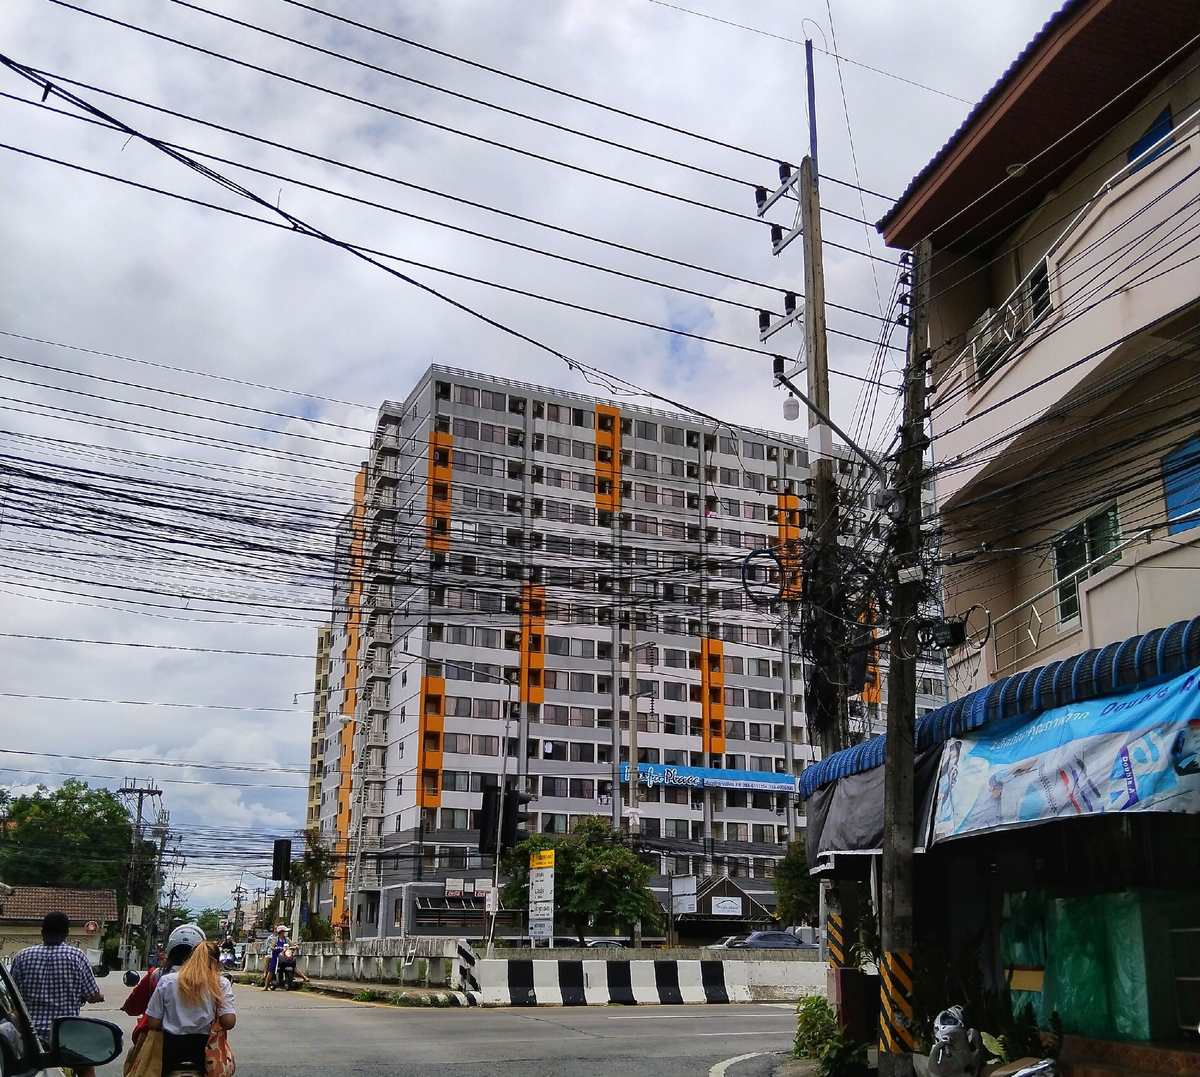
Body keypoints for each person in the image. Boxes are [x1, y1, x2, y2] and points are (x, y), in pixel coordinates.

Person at [10, 911, 104, 1077]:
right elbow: (91, 995)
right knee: (87, 1068)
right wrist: (99, 997)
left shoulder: (22, 956)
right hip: (65, 1036)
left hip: (30, 1038)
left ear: (41, 931)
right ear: (67, 933)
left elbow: (12, 994)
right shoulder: (77, 956)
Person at [145, 940, 236, 1074]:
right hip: (206, 1052)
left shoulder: (167, 981)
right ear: (216, 962)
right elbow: (228, 1023)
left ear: (189, 959)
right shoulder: (221, 984)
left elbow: (153, 1023)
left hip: (170, 1050)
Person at [122, 923, 206, 1042]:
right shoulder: (214, 981)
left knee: (133, 1056)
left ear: (169, 951)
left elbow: (134, 1007)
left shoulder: (157, 976)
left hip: (162, 1046)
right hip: (204, 1047)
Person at [262, 924, 289, 990]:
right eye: (284, 931)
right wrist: (274, 947)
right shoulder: (275, 939)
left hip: (284, 956)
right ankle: (266, 986)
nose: (285, 933)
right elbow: (272, 946)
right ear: (281, 932)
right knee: (271, 971)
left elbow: (293, 944)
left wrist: (296, 946)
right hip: (276, 956)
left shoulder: (287, 939)